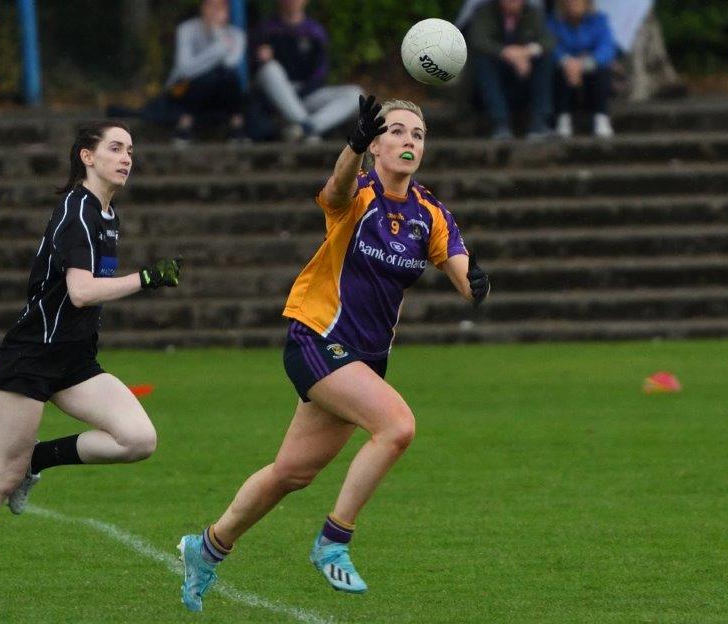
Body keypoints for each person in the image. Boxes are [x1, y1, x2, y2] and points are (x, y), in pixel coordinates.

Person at [177, 96, 491, 612]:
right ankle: (334, 541)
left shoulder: (430, 213)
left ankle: (207, 547)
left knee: (291, 474)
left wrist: (475, 282)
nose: (409, 140)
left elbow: (462, 271)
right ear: (376, 144)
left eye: (418, 134)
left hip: (363, 359)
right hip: (317, 338)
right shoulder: (360, 192)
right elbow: (334, 190)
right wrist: (352, 147)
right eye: (397, 131)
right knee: (397, 426)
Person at [0, 121, 183, 603]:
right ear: (87, 156)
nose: (126, 157)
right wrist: (145, 278)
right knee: (3, 471)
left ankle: (39, 461)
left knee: (138, 439)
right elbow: (81, 291)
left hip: (74, 359)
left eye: (130, 148)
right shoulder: (76, 210)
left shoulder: (108, 214)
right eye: (115, 148)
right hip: (32, 357)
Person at [252, 0, 362, 142]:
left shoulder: (315, 31)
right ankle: (308, 131)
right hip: (277, 95)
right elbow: (255, 73)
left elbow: (321, 73)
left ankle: (305, 128)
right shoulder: (266, 29)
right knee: (269, 69)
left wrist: (302, 92)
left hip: (307, 93)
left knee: (355, 94)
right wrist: (260, 58)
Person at [467, 0, 556, 140]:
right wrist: (507, 53)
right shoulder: (484, 11)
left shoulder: (533, 12)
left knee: (546, 59)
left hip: (524, 78)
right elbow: (478, 40)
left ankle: (539, 123)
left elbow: (548, 41)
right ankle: (500, 123)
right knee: (483, 60)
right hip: (493, 80)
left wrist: (526, 52)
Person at [165, 0, 247, 145]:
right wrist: (219, 48)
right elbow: (184, 69)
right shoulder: (186, 29)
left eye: (219, 7)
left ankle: (236, 127)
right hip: (186, 89)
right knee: (208, 77)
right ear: (202, 7)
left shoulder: (236, 35)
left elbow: (229, 63)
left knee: (227, 76)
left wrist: (217, 33)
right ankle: (184, 125)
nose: (214, 11)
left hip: (221, 92)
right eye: (211, 6)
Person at [548, 0, 617, 138]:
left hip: (590, 69)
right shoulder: (554, 22)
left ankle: (601, 116)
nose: (574, 3)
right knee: (558, 71)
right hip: (565, 70)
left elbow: (607, 48)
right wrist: (567, 61)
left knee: (602, 70)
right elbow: (550, 46)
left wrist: (585, 63)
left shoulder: (599, 20)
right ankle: (563, 118)